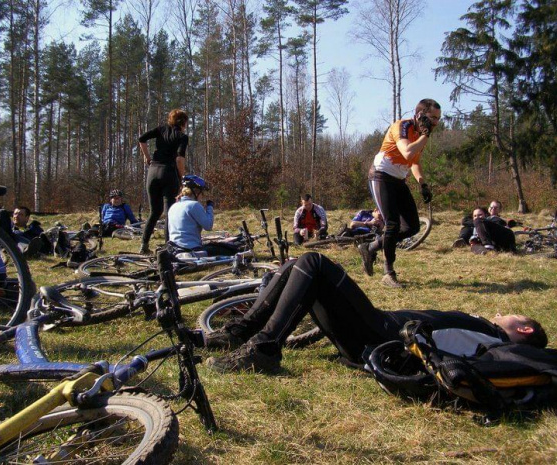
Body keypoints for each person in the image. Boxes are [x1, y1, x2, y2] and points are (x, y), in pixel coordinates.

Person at [205, 252, 548, 373]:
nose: (505, 312)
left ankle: (264, 348)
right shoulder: (486, 334)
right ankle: (240, 333)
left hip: (382, 334)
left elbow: (444, 359)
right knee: (299, 265)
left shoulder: (493, 339)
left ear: (526, 330)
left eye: (514, 315)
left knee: (314, 262)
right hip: (376, 331)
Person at [359, 98, 441, 288]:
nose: (436, 123)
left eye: (438, 119)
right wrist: (424, 136)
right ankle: (388, 273)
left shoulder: (421, 134)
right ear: (420, 115)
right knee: (393, 224)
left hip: (398, 180)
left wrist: (422, 184)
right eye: (433, 118)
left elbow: (414, 162)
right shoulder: (402, 127)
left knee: (412, 227)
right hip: (380, 176)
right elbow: (406, 153)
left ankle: (370, 247)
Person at [138, 109, 189, 254]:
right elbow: (179, 159)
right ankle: (168, 247)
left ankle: (144, 244)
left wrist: (147, 157)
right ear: (184, 122)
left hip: (153, 172)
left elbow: (142, 138)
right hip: (168, 172)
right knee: (169, 212)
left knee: (154, 211)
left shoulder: (160, 129)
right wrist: (182, 178)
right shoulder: (182, 137)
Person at [167, 175, 240, 257]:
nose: (203, 196)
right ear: (196, 192)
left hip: (175, 248)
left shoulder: (173, 206)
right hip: (191, 249)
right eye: (202, 193)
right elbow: (208, 226)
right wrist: (210, 207)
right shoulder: (194, 205)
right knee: (229, 249)